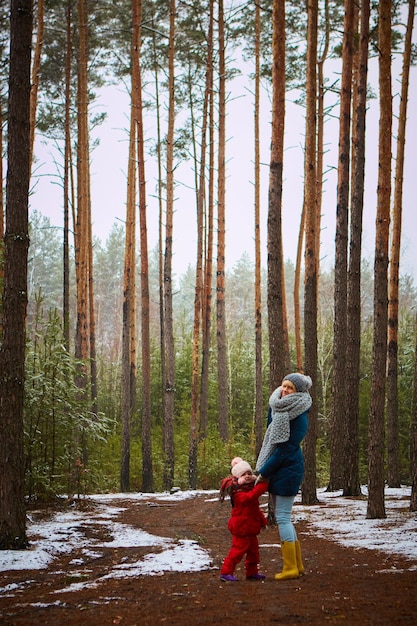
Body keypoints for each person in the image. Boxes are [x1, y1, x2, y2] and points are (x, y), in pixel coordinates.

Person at [255, 372, 312, 580]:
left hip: (288, 469)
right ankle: (297, 565)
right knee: (284, 517)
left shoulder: (300, 416)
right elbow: (272, 437)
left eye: (290, 388)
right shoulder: (277, 407)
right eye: (284, 386)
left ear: (299, 392)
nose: (285, 390)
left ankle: (290, 568)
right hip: (280, 469)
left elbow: (285, 450)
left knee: (282, 517)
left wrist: (264, 471)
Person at [219, 457, 268, 582]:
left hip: (251, 528)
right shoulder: (237, 493)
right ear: (237, 477)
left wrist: (262, 521)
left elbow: (255, 508)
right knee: (237, 551)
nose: (247, 476)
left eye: (249, 474)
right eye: (243, 474)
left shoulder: (249, 489)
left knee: (254, 553)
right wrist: (262, 486)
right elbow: (249, 498)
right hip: (241, 528)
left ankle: (252, 572)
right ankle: (226, 572)